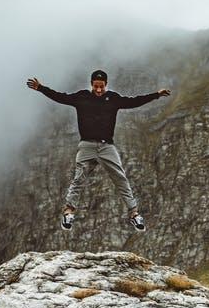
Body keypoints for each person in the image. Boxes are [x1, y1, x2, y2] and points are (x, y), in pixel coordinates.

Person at [27, 69, 171, 232]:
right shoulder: (82, 97)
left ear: (106, 85)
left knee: (120, 177)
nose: (99, 90)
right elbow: (61, 97)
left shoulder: (113, 99)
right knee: (79, 178)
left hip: (107, 147)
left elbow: (134, 101)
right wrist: (41, 88)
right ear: (91, 84)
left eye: (101, 87)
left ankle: (134, 214)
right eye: (96, 86)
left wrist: (156, 95)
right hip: (86, 146)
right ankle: (69, 211)